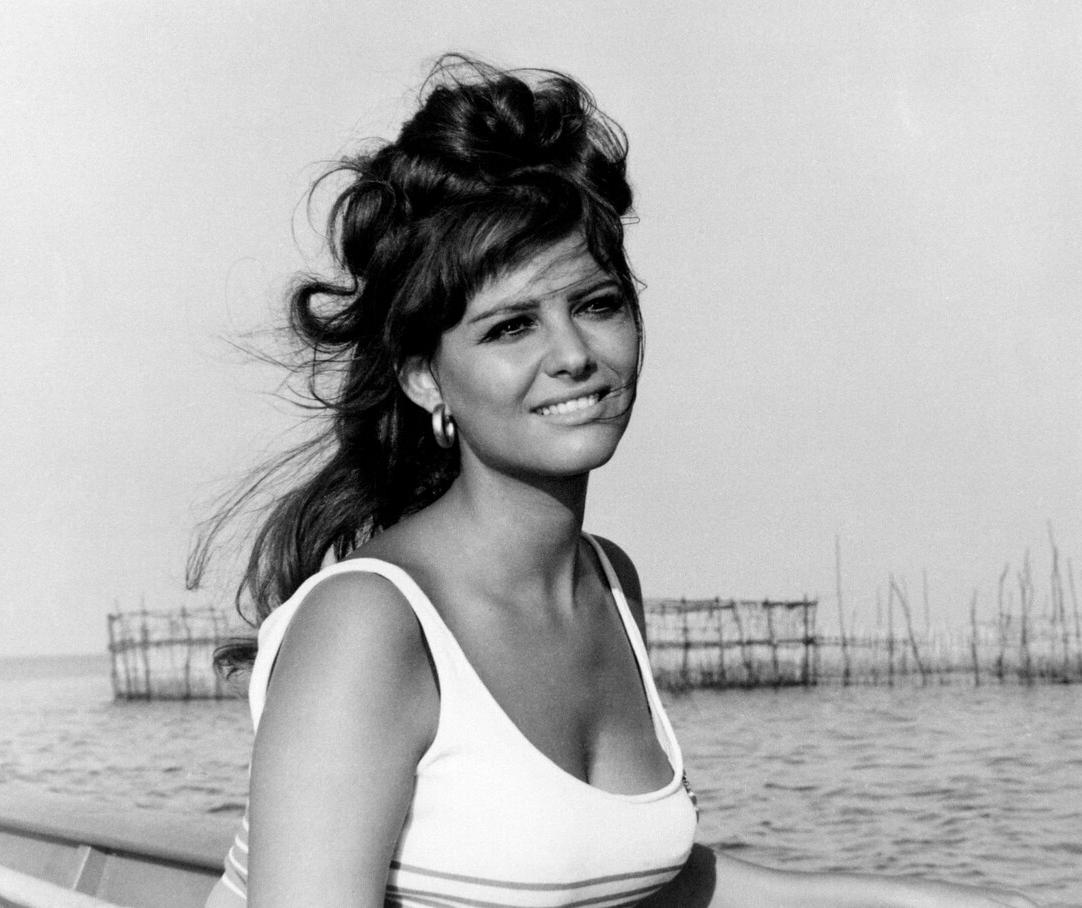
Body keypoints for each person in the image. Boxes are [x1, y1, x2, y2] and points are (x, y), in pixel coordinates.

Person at [196, 55, 1037, 908]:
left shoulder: (606, 582)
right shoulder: (370, 626)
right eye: (511, 327)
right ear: (423, 378)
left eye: (596, 305)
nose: (573, 355)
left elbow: (638, 879)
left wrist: (944, 902)